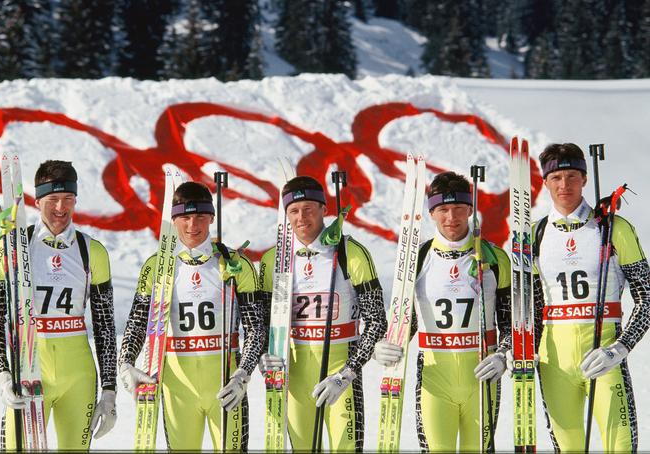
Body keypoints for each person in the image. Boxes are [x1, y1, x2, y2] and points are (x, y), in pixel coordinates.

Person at [118, 181, 264, 450]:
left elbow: (256, 328)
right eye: (184, 217)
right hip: (177, 388)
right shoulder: (158, 266)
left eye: (199, 217)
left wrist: (243, 373)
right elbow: (138, 322)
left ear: (211, 217)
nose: (192, 225)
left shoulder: (235, 264)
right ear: (173, 220)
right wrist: (126, 362)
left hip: (225, 383)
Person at [373, 171, 512, 451]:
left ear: (470, 209)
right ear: (432, 212)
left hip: (482, 379)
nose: (452, 217)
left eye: (459, 208)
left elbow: (510, 322)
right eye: (443, 209)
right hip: (434, 380)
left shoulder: (496, 258)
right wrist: (387, 344)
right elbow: (407, 320)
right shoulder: (418, 258)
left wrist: (502, 354)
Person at [0, 160, 117, 450]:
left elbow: (105, 326)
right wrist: (4, 375)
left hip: (79, 378)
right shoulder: (14, 246)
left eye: (68, 199)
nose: (60, 208)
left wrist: (109, 391)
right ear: (37, 200)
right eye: (52, 200)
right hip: (28, 375)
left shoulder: (91, 251)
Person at [530, 143, 649, 451]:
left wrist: (620, 349)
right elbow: (527, 306)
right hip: (553, 361)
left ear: (584, 179)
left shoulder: (613, 228)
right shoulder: (535, 234)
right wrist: (519, 350)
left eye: (572, 176)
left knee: (621, 447)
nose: (564, 185)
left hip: (604, 358)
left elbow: (647, 298)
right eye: (556, 178)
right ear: (545, 182)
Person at [259, 175, 387, 451]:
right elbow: (260, 322)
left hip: (339, 372)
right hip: (294, 373)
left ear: (324, 209)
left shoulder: (350, 252)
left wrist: (348, 373)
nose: (301, 217)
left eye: (308, 208)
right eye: (293, 210)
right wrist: (262, 356)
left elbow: (377, 321)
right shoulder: (273, 260)